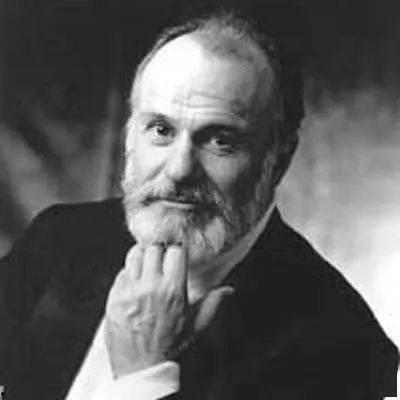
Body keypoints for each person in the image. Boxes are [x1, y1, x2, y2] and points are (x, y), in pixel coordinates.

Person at [0, 10, 398, 400]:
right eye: (161, 129)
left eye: (220, 140)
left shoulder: (344, 349)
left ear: (279, 158)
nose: (179, 169)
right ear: (130, 136)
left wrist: (144, 376)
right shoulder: (58, 239)